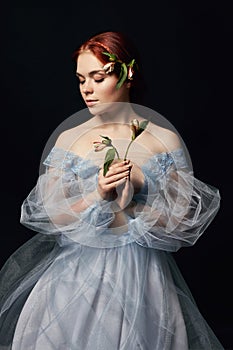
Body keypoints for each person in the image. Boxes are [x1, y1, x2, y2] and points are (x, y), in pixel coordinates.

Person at [0, 31, 224, 349]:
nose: (87, 90)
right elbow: (48, 217)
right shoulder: (70, 139)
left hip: (143, 279)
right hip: (74, 276)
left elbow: (182, 226)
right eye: (81, 80)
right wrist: (97, 196)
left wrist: (141, 189)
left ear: (127, 73)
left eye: (97, 77)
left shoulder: (163, 141)